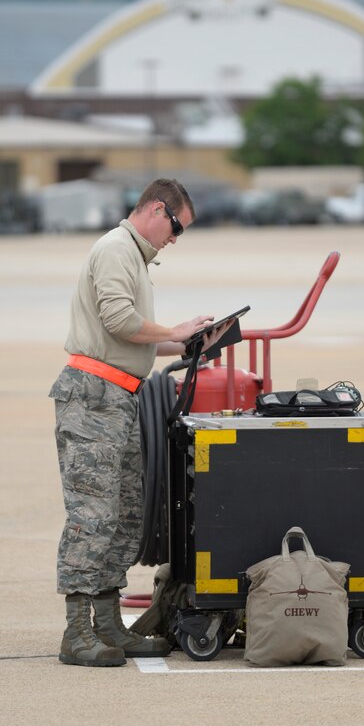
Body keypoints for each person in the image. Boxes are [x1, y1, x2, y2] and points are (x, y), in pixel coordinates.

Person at [49, 178, 230, 667]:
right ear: (155, 209)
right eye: (176, 227)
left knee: (126, 516)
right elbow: (117, 320)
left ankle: (108, 627)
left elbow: (135, 339)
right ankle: (76, 634)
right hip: (93, 398)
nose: (175, 239)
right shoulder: (116, 249)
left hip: (117, 397)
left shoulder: (132, 255)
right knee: (94, 517)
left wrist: (193, 343)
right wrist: (174, 330)